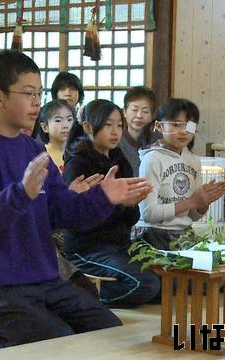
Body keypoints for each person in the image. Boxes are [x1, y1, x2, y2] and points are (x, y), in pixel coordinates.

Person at [0, 50, 152, 350]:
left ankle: (4, 339)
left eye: (39, 93)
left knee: (108, 330)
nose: (36, 103)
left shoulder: (32, 150)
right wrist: (21, 193)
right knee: (58, 342)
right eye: (28, 93)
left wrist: (104, 197)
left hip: (43, 280)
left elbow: (64, 212)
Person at [62, 99, 159, 308]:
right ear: (87, 127)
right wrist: (113, 203)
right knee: (146, 285)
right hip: (87, 248)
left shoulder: (119, 159)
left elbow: (130, 220)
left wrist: (129, 205)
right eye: (108, 125)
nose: (115, 131)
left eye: (119, 125)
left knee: (168, 278)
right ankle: (84, 293)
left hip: (119, 243)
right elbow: (77, 221)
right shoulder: (78, 162)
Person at [133, 98, 225, 249]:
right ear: (159, 126)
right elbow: (149, 214)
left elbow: (191, 216)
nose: (184, 131)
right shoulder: (152, 159)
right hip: (153, 235)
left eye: (190, 125)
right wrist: (192, 202)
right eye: (176, 124)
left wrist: (204, 202)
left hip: (185, 234)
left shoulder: (193, 160)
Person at [120, 86, 161, 176]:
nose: (139, 115)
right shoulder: (115, 142)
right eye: (134, 110)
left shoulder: (161, 142)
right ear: (124, 112)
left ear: (152, 115)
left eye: (145, 111)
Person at [37, 99, 75, 173]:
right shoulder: (41, 155)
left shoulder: (77, 153)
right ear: (45, 127)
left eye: (69, 120)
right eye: (58, 120)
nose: (66, 125)